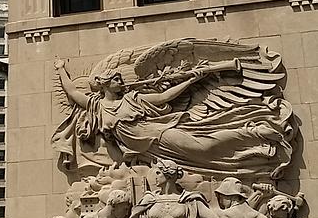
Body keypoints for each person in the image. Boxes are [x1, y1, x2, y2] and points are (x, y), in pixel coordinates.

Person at [52, 58, 293, 178]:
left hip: (159, 136)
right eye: (116, 79)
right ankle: (255, 139)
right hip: (148, 152)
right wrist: (61, 68)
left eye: (120, 79)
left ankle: (254, 132)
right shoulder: (96, 105)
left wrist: (192, 79)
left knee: (205, 147)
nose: (121, 82)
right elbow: (73, 92)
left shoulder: (133, 99)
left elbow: (166, 95)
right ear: (105, 84)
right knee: (205, 151)